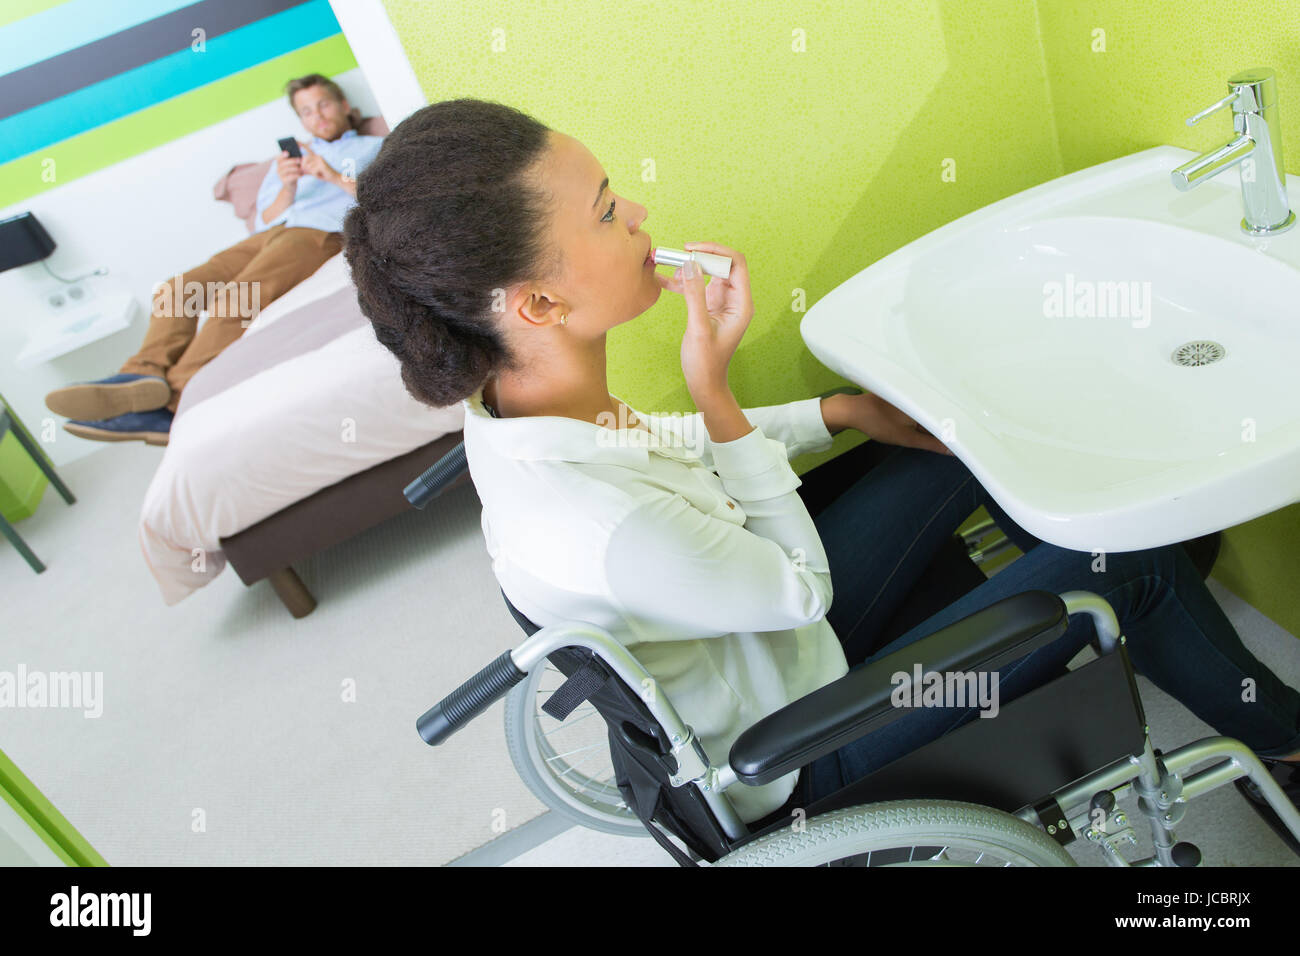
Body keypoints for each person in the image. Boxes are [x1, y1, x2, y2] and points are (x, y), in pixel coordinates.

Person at [343, 99, 1300, 852]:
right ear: (541, 300)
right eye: (605, 211)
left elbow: (664, 451)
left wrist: (834, 412)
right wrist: (715, 388)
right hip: (804, 746)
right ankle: (1280, 737)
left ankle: (1153, 598)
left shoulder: (517, 410)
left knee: (959, 437)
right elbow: (798, 590)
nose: (635, 213)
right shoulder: (599, 526)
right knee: (1122, 567)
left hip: (762, 643)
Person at [45, 74, 385, 445]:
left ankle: (167, 406)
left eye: (323, 104)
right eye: (306, 111)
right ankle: (142, 373)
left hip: (318, 233)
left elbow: (379, 200)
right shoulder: (283, 162)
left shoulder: (374, 146)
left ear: (344, 107)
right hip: (274, 233)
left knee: (238, 298)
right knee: (179, 289)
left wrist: (332, 175)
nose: (317, 116)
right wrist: (288, 186)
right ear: (300, 121)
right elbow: (266, 217)